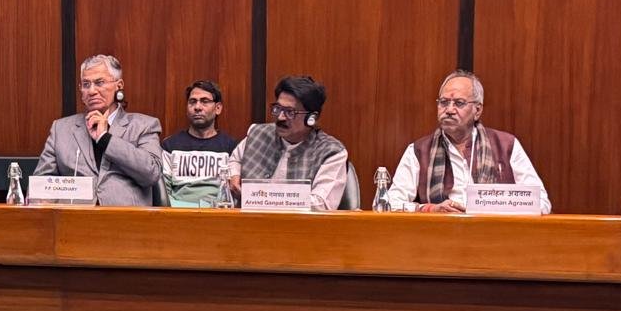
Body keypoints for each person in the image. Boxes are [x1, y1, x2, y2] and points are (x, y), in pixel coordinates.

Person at [387, 69, 551, 214]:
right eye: (444, 102)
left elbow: (542, 203)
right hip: (439, 233)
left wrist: (496, 205)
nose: (449, 110)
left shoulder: (506, 145)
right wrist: (430, 209)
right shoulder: (419, 151)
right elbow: (391, 204)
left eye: (459, 103)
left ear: (477, 110)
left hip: (493, 233)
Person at [34, 54, 162, 206]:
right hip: (75, 217)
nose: (92, 91)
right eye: (86, 84)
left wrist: (105, 139)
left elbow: (151, 174)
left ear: (119, 85)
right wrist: (42, 200)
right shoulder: (61, 129)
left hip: (124, 217)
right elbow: (40, 184)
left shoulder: (144, 125)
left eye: (99, 83)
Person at [227, 75, 349, 211]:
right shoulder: (257, 133)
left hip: (297, 223)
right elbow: (235, 160)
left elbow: (322, 204)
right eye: (278, 108)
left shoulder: (332, 152)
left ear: (311, 118)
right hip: (247, 220)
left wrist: (265, 199)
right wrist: (234, 175)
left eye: (290, 112)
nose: (280, 117)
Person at [161, 80, 238, 207]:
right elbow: (163, 194)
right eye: (192, 101)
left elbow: (233, 194)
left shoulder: (231, 147)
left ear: (218, 108)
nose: (197, 107)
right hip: (179, 214)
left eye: (204, 101)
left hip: (218, 214)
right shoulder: (170, 146)